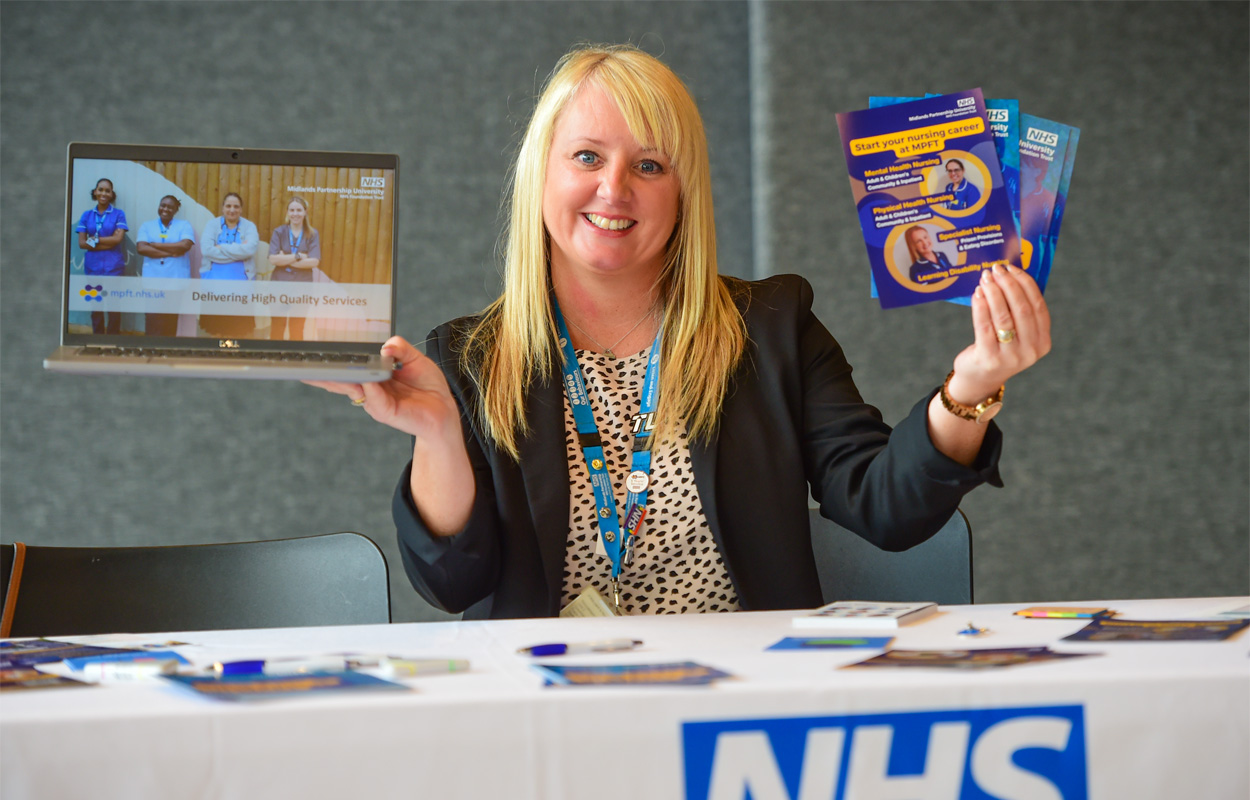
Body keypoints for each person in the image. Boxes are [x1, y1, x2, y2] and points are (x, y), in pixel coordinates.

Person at [309, 45, 1051, 620]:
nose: (614, 188)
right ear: (544, 174)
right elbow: (451, 582)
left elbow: (883, 506)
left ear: (683, 193)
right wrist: (438, 434)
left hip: (738, 706)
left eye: (650, 164)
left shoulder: (771, 327)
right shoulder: (467, 359)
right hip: (553, 711)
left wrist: (972, 385)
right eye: (587, 157)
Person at [199, 192, 259, 338]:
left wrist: (221, 247)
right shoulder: (212, 224)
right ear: (223, 208)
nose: (232, 210)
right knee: (216, 332)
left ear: (241, 209)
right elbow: (206, 250)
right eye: (228, 206)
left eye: (236, 206)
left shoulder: (249, 226)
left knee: (238, 332)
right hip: (214, 289)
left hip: (241, 290)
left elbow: (249, 249)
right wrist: (237, 251)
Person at [135, 195, 196, 337]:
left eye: (170, 207)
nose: (165, 209)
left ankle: (167, 349)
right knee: (152, 318)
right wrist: (172, 251)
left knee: (170, 319)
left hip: (175, 281)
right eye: (162, 205)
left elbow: (185, 245)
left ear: (175, 210)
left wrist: (156, 245)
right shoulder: (147, 226)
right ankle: (150, 349)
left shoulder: (184, 225)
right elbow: (141, 248)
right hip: (153, 281)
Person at [75, 178, 129, 334]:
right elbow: (82, 243)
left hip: (114, 268)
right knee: (95, 305)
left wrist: (95, 240)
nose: (103, 193)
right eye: (100, 189)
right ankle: (97, 339)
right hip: (93, 267)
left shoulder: (119, 214)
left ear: (112, 194)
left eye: (107, 190)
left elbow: (118, 239)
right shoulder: (86, 215)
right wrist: (109, 241)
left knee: (114, 306)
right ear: (95, 192)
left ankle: (113, 340)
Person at [267, 196, 321, 341]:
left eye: (299, 210)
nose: (295, 213)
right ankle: (274, 360)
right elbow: (273, 259)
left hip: (302, 286)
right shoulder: (279, 232)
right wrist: (298, 256)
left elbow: (314, 262)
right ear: (287, 212)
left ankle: (295, 360)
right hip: (279, 285)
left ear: (305, 212)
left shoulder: (312, 234)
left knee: (297, 327)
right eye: (292, 210)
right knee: (277, 326)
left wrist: (285, 259)